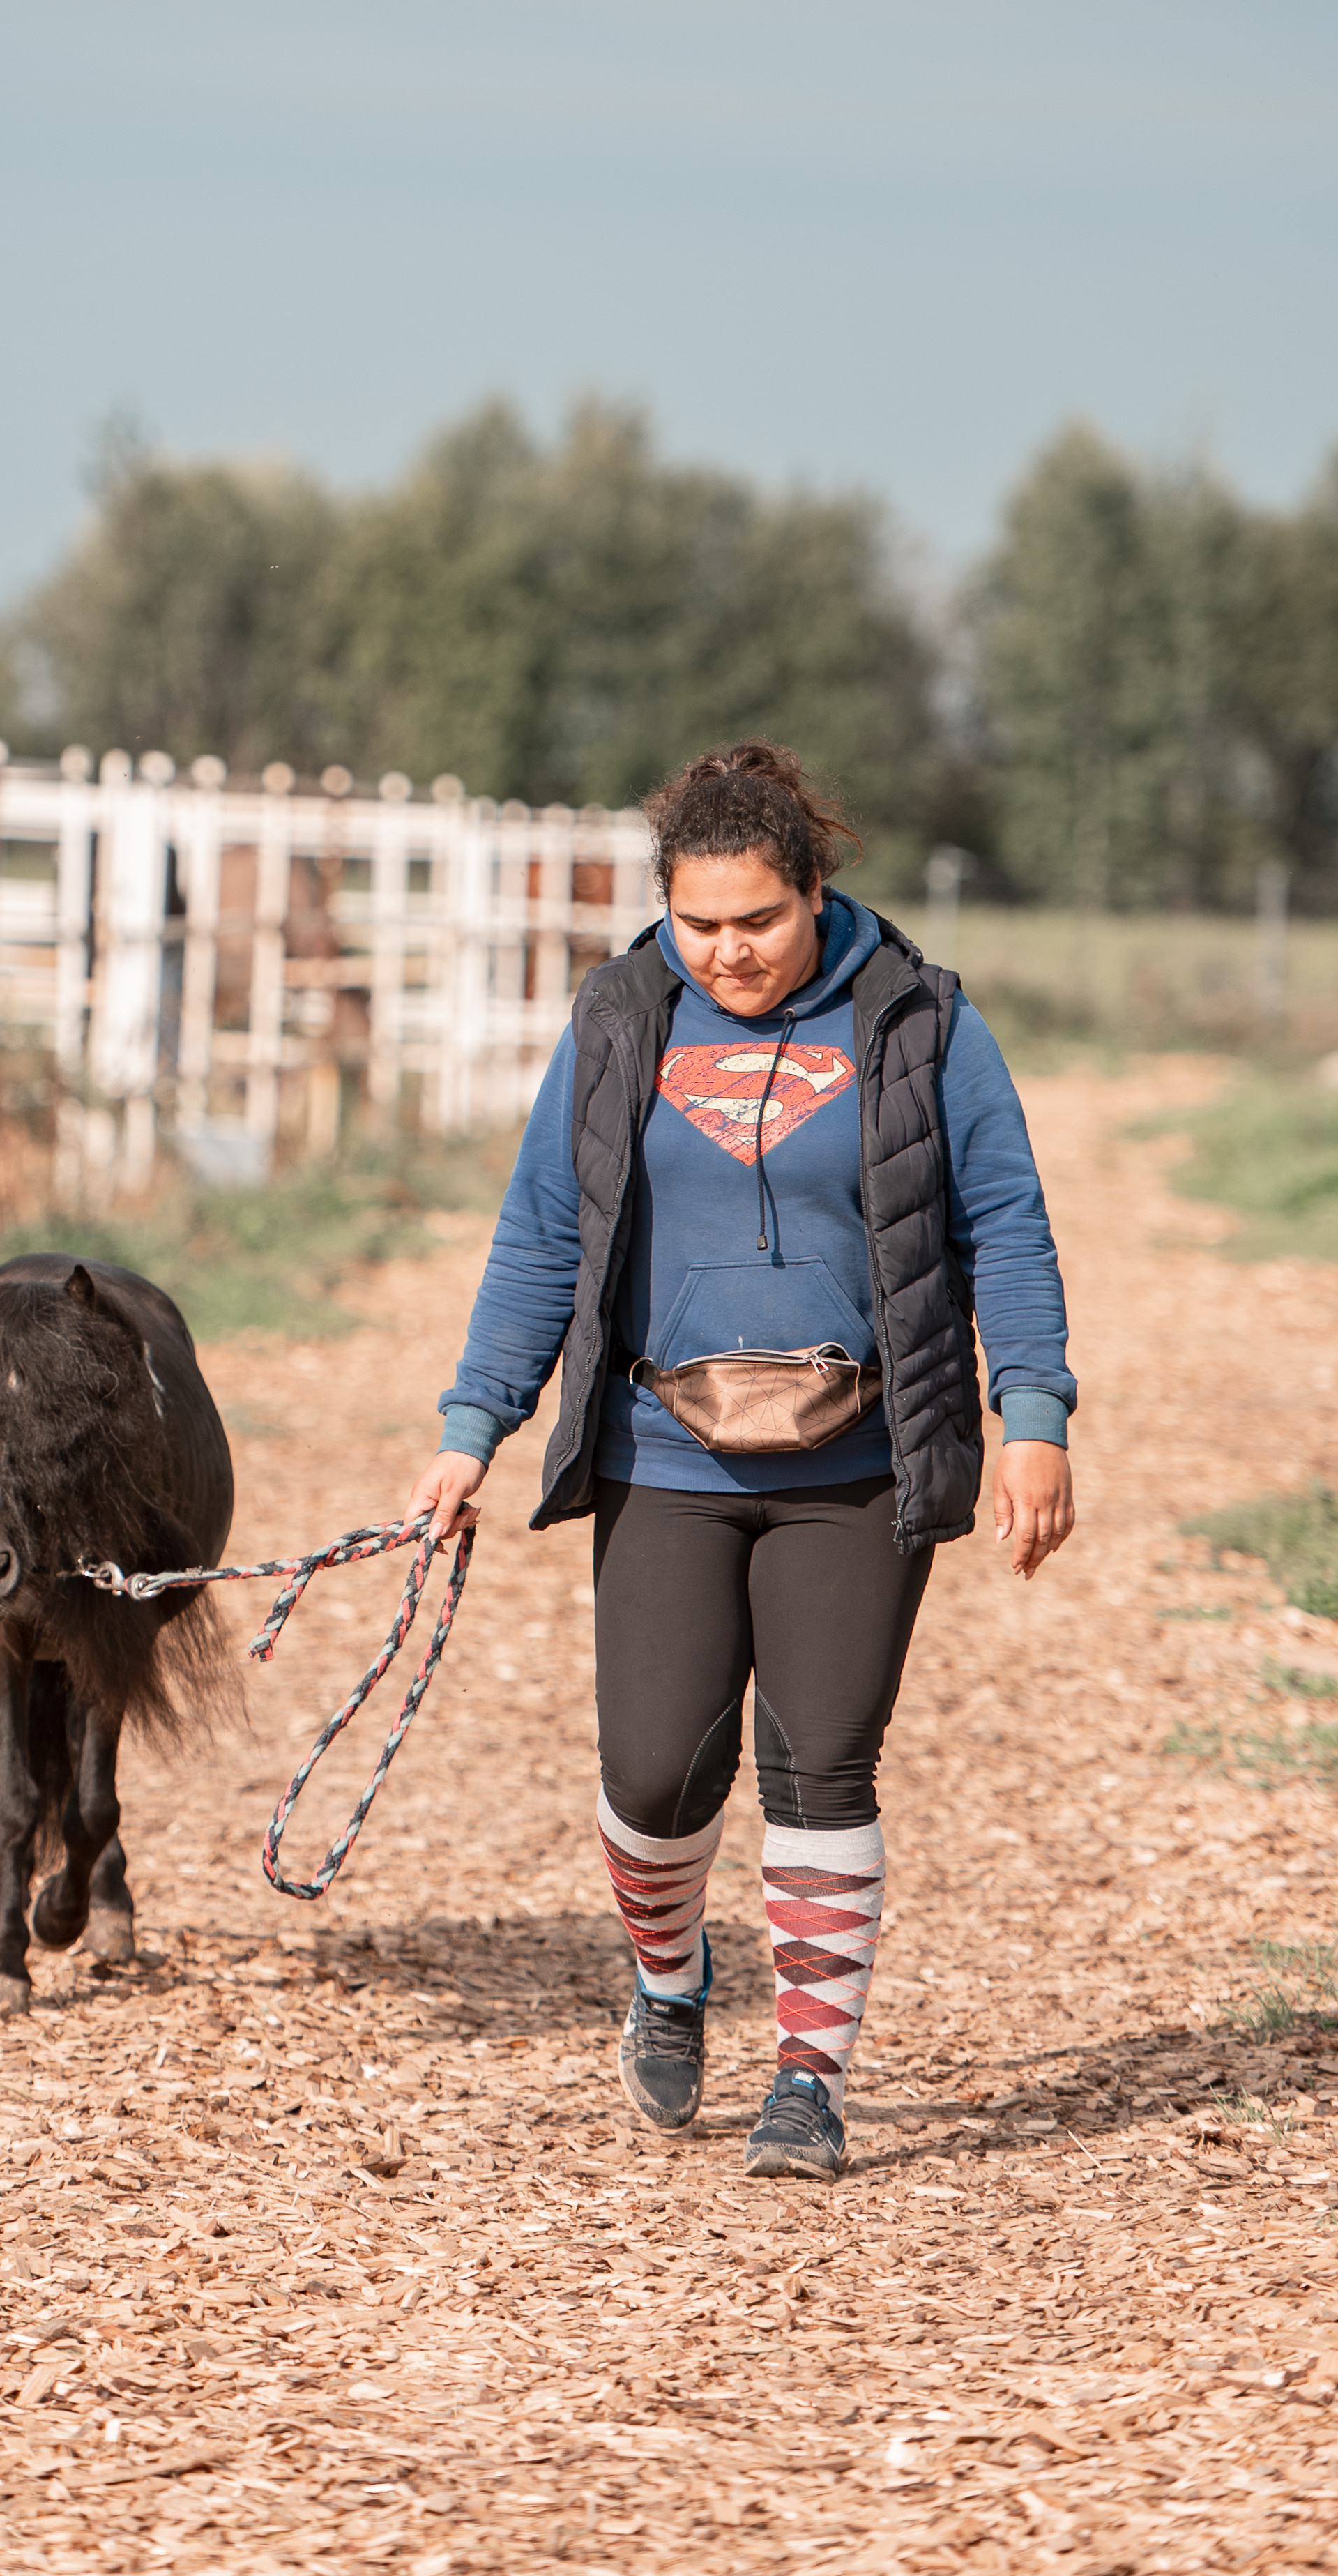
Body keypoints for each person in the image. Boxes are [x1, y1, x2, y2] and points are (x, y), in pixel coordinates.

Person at [403, 740, 1075, 2183]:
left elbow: (1005, 1225)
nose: (728, 951)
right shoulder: (618, 1020)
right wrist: (472, 1431)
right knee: (653, 1781)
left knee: (821, 1766)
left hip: (858, 1458)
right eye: (698, 923)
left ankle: (806, 2083)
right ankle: (669, 1978)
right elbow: (540, 1235)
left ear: (814, 892)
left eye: (758, 920)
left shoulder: (922, 1021)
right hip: (661, 1453)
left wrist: (1032, 1415)